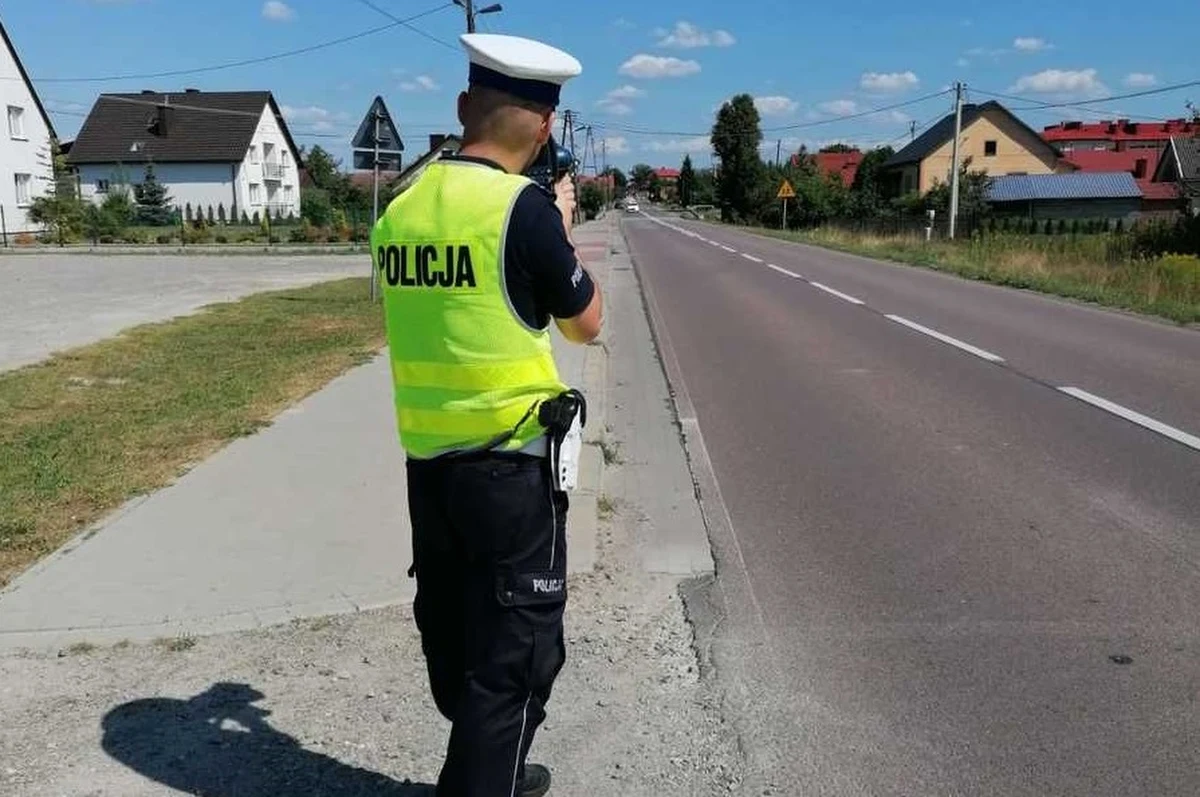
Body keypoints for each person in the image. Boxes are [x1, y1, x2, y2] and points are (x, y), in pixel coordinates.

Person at [370, 32, 602, 797]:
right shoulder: (524, 212)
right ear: (542, 131)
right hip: (509, 473)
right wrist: (562, 227)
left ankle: (490, 767)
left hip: (428, 473)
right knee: (518, 661)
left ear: (465, 108)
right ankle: (481, 778)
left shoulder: (400, 210)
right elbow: (584, 322)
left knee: (463, 646)